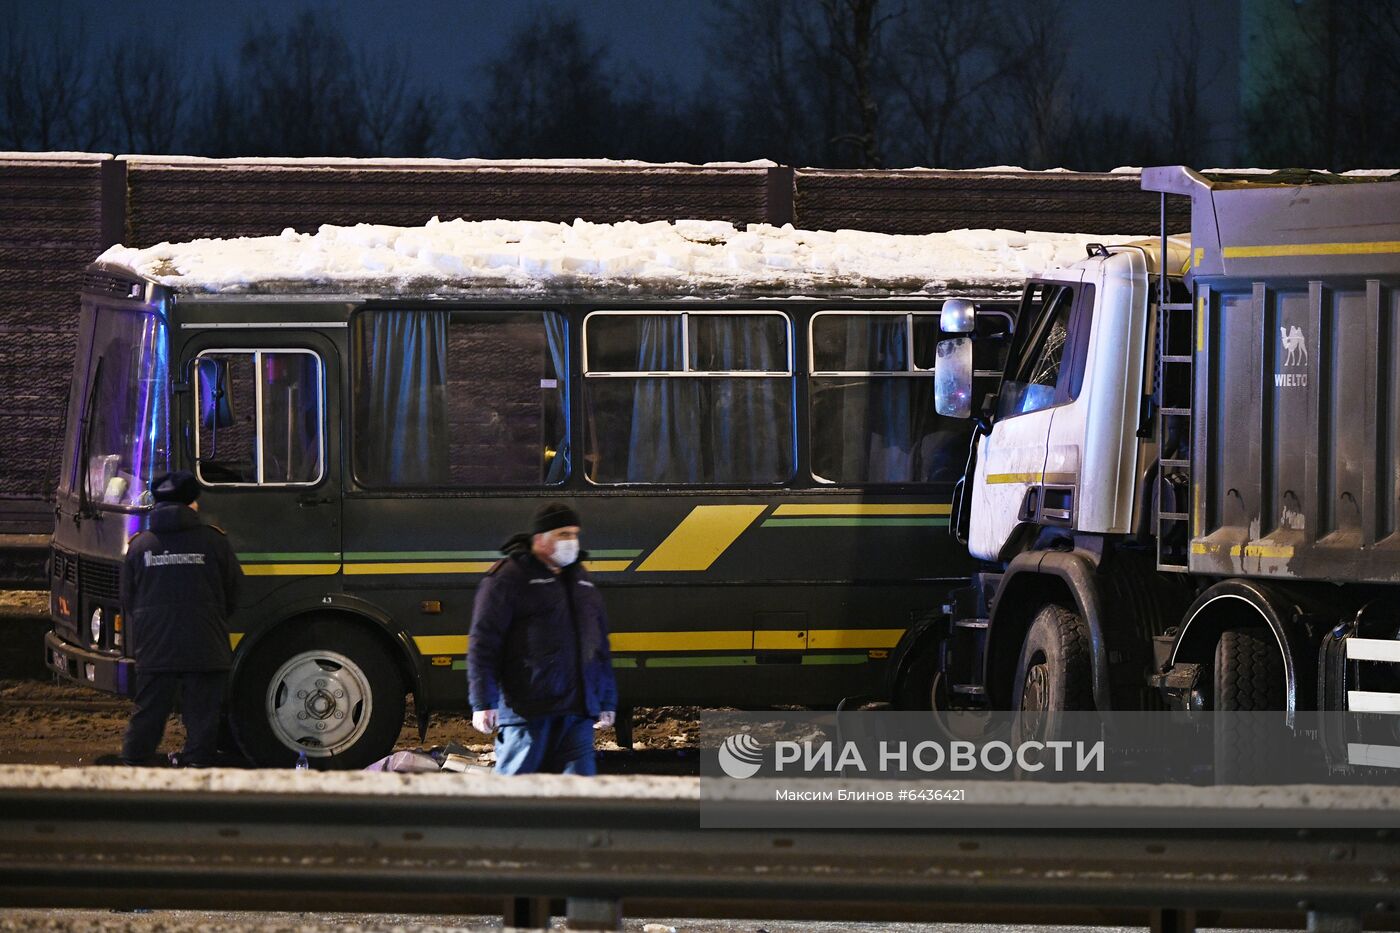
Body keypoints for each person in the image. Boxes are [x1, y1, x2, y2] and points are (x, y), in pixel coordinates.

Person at [468, 502, 618, 775]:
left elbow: (599, 648)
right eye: (563, 534)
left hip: (576, 714)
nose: (572, 542)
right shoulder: (509, 578)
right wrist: (483, 702)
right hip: (528, 715)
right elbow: (484, 643)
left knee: (579, 794)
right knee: (517, 795)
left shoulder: (581, 580)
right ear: (540, 539)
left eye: (574, 534)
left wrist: (606, 700)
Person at [119, 470, 243, 767]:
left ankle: (134, 763)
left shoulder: (140, 545)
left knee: (149, 710)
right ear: (192, 504)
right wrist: (213, 617)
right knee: (202, 714)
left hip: (155, 644)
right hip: (205, 640)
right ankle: (197, 765)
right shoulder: (214, 541)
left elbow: (127, 598)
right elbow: (234, 591)